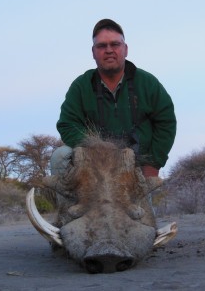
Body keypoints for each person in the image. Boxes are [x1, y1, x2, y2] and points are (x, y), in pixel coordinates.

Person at [51, 19, 176, 178]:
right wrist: (95, 148)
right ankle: (67, 203)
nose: (109, 50)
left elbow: (166, 123)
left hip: (137, 165)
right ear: (93, 52)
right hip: (92, 164)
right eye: (101, 46)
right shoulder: (81, 85)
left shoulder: (148, 82)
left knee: (142, 202)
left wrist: (153, 163)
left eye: (115, 44)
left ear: (125, 49)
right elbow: (67, 124)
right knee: (60, 156)